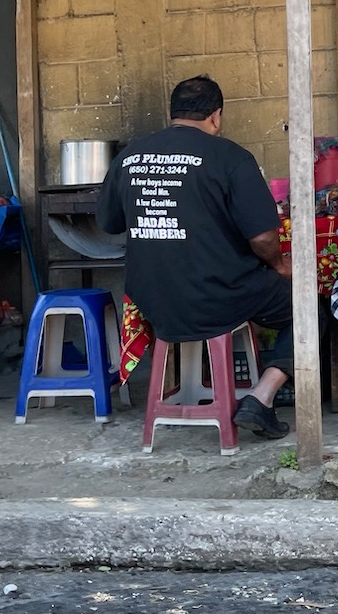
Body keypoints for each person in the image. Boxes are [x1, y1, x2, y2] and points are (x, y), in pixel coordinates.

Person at [96, 75, 294, 440]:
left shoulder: (130, 157)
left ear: (172, 114)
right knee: (309, 310)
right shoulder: (230, 157)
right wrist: (280, 266)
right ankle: (261, 396)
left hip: (151, 302)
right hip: (219, 297)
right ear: (216, 116)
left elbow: (109, 223)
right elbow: (265, 235)